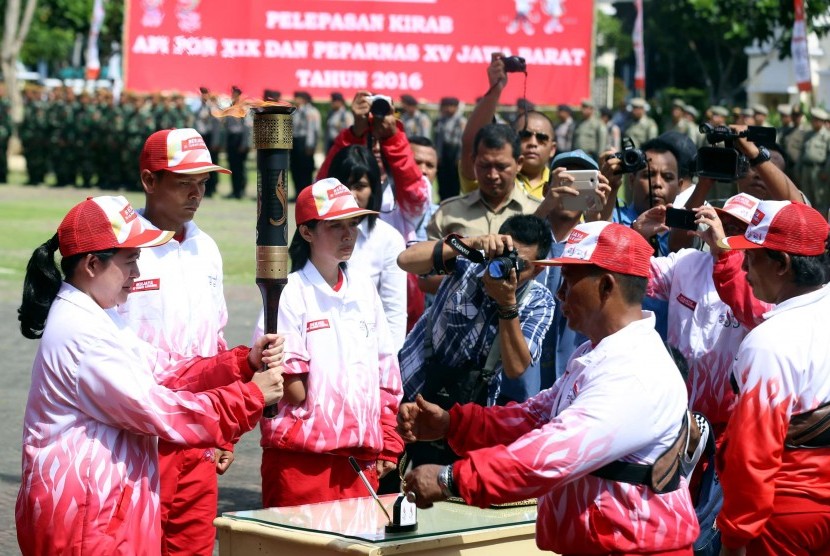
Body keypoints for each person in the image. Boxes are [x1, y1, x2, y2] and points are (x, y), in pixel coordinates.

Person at [398, 221, 699, 555]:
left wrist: (450, 479)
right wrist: (452, 424)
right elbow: (535, 417)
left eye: (569, 281)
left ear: (606, 286)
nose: (559, 293)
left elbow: (551, 454)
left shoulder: (635, 371)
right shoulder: (596, 352)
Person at [15, 195, 284, 555]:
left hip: (106, 511)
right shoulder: (83, 334)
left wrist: (242, 364)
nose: (136, 275)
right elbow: (160, 412)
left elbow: (166, 369)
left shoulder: (101, 315)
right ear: (93, 264)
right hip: (84, 520)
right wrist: (250, 397)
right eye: (130, 262)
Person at [115, 128, 233, 556]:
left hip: (197, 436)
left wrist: (223, 430)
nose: (195, 193)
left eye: (202, 182)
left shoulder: (208, 250)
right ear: (149, 180)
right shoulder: (124, 250)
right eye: (184, 181)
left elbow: (216, 341)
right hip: (137, 436)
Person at [254, 177, 404, 508]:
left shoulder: (364, 289)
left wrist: (387, 439)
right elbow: (291, 389)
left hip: (359, 462)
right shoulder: (288, 293)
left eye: (353, 223)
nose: (349, 234)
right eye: (335, 226)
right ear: (306, 232)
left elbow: (386, 375)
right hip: (301, 464)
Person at [715, 200, 830, 555]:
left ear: (781, 264)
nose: (744, 267)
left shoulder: (769, 342)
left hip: (784, 516)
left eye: (752, 256)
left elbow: (753, 454)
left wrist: (734, 538)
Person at [397, 214, 554, 464]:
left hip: (464, 413)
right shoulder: (469, 262)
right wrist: (472, 243)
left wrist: (507, 305)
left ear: (539, 268)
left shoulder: (539, 301)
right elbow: (405, 260)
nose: (508, 269)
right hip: (409, 385)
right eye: (505, 257)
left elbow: (516, 368)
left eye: (519, 265)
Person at [325, 147, 408, 349]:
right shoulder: (314, 233)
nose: (350, 194)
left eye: (359, 186)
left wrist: (390, 367)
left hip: (367, 351)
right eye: (343, 186)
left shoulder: (388, 240)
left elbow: (394, 312)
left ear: (374, 190)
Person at [459, 54, 557, 200]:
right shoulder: (493, 178)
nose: (532, 143)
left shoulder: (560, 184)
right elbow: (471, 146)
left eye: (541, 138)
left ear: (553, 149)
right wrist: (495, 90)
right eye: (524, 135)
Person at [427, 124, 540, 241]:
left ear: (519, 164)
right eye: (485, 165)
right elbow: (428, 255)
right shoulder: (447, 213)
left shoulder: (537, 212)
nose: (492, 175)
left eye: (501, 167)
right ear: (473, 161)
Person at [434, 96, 467, 200]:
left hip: (455, 152)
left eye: (450, 106)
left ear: (456, 107)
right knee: (442, 180)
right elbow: (437, 139)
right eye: (445, 106)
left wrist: (460, 157)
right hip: (443, 153)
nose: (447, 109)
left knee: (454, 181)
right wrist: (437, 155)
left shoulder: (461, 121)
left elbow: (463, 141)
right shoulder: (440, 120)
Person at [291, 91, 322, 198]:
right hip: (295, 141)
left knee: (306, 170)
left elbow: (313, 130)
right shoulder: (295, 111)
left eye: (297, 98)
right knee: (295, 168)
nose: (295, 100)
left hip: (305, 142)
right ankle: (297, 193)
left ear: (304, 99)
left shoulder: (311, 111)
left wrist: (310, 145)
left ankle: (306, 195)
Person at [224, 86, 252, 199]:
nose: (233, 96)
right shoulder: (230, 107)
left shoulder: (243, 108)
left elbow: (247, 127)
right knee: (232, 166)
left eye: (235, 94)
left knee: (241, 167)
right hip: (231, 139)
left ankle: (241, 190)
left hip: (240, 139)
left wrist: (244, 144)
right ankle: (234, 190)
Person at [572, 99, 607, 163]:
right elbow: (574, 139)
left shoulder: (598, 123)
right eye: (582, 107)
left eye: (585, 107)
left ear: (591, 109)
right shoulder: (578, 123)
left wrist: (600, 158)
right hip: (576, 155)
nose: (582, 110)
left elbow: (602, 142)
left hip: (590, 156)